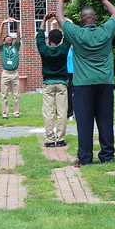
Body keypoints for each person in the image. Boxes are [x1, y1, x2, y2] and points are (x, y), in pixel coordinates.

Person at [56, 0, 115, 167]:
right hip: (105, 83)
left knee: (84, 123)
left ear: (81, 20)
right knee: (105, 120)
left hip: (83, 85)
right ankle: (107, 155)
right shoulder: (106, 31)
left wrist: (62, 0)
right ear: (96, 18)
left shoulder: (76, 33)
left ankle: (85, 158)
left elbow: (60, 17)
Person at [37, 12, 70, 147]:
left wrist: (44, 19)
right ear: (60, 39)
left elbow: (39, 36)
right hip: (62, 83)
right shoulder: (63, 49)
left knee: (48, 112)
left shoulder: (44, 50)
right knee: (62, 112)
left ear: (48, 39)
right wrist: (62, 22)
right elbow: (68, 36)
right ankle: (61, 139)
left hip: (48, 83)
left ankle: (50, 140)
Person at [0, 17, 21, 119]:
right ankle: (5, 114)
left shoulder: (15, 47)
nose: (9, 38)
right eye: (7, 38)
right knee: (4, 95)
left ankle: (16, 113)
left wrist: (16, 23)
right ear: (4, 41)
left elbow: (19, 35)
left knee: (16, 95)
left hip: (15, 73)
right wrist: (3, 24)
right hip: (6, 73)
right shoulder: (2, 48)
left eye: (10, 38)